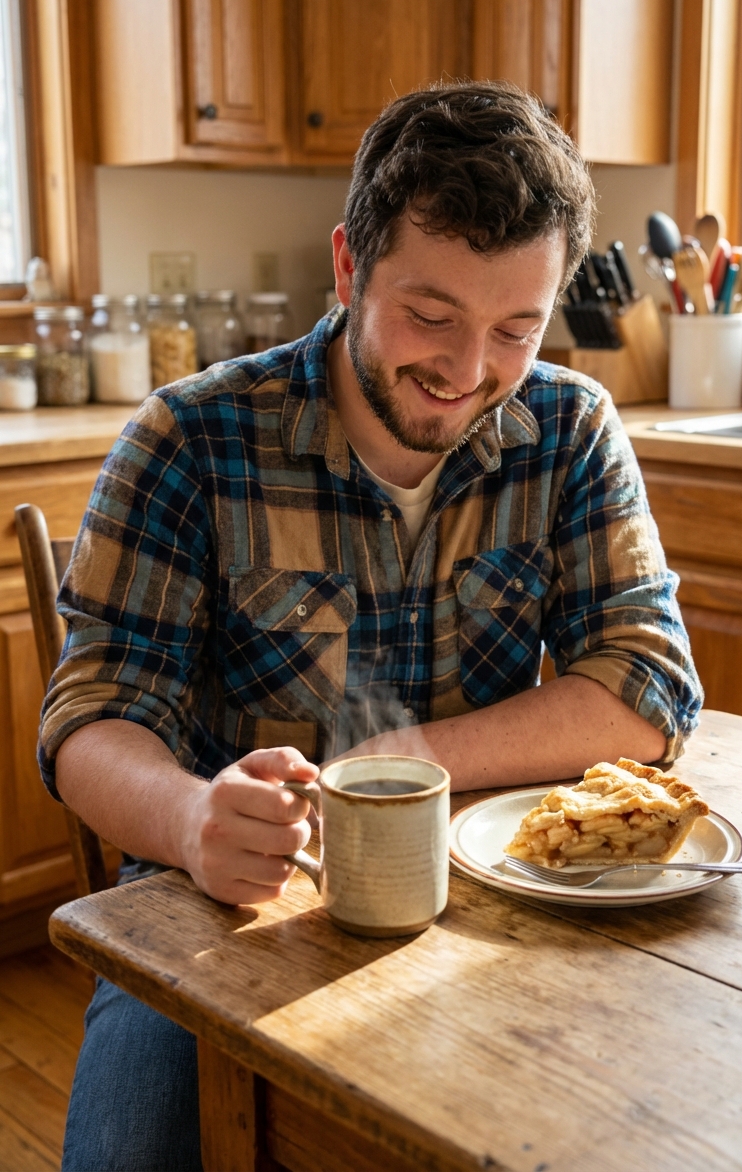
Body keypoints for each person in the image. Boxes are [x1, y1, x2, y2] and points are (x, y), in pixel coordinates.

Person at [40, 81, 702, 1171]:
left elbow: (646, 686)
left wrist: (406, 758)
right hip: (215, 913)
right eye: (430, 315)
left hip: (489, 903)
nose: (464, 371)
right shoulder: (187, 437)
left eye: (514, 330)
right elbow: (89, 723)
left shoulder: (569, 429)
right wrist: (195, 816)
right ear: (348, 267)